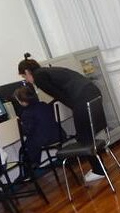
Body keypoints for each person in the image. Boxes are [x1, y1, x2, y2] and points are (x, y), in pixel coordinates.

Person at [17, 54, 106, 183]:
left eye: (24, 76)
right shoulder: (46, 71)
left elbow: (59, 95)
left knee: (84, 138)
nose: (26, 80)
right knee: (87, 135)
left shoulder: (39, 77)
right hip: (91, 91)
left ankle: (99, 171)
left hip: (82, 97)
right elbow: (61, 92)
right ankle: (100, 168)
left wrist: (75, 108)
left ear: (26, 72)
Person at [13, 85, 65, 172]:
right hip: (59, 134)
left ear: (22, 102)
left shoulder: (26, 113)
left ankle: (30, 171)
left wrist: (21, 126)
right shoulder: (43, 104)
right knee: (33, 141)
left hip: (46, 139)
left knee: (24, 149)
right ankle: (35, 164)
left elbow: (27, 131)